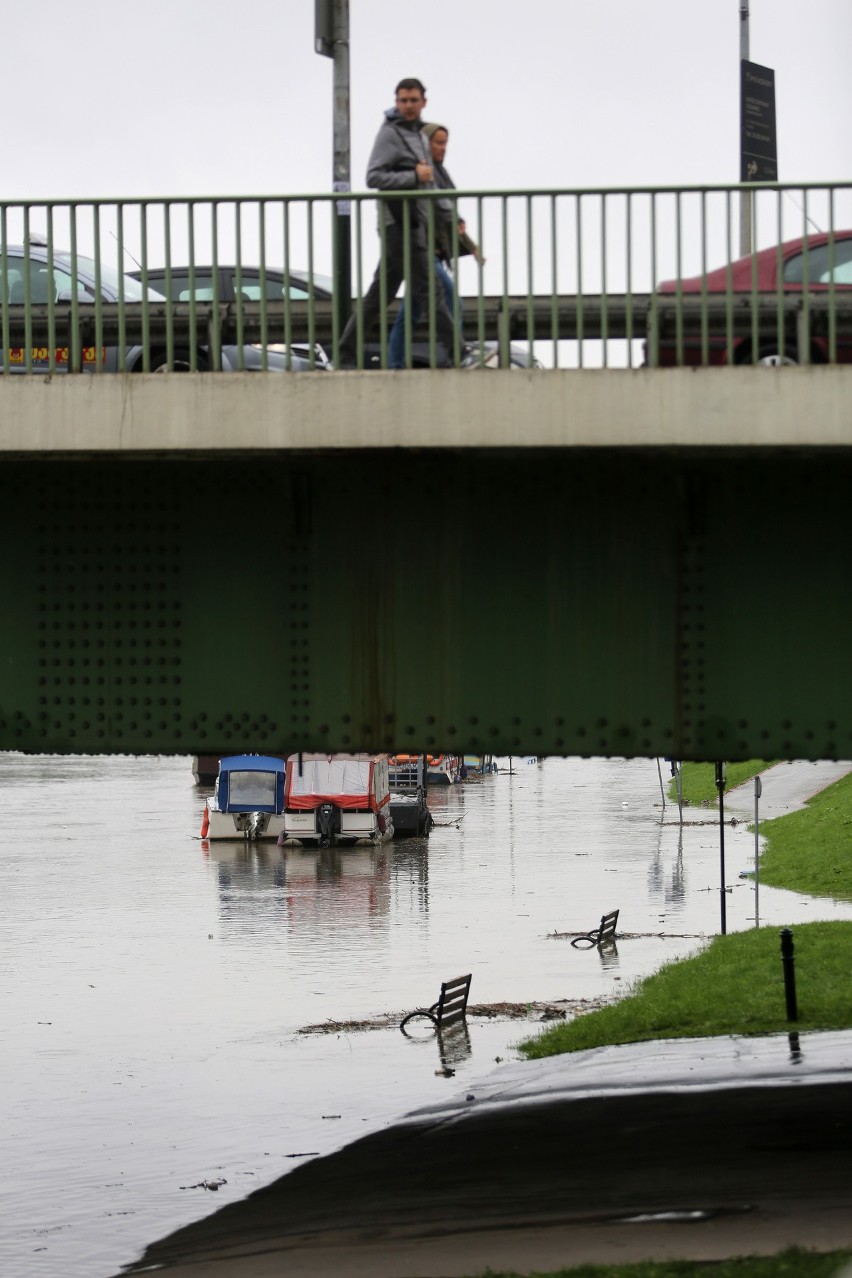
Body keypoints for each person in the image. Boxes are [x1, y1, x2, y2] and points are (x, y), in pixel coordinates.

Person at [335, 79, 459, 369]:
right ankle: (458, 351)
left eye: (413, 100)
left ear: (423, 102)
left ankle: (344, 353)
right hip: (398, 224)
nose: (408, 105)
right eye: (403, 100)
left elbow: (428, 185)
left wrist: (449, 217)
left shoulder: (417, 135)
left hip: (413, 225)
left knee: (380, 296)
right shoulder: (390, 134)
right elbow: (374, 177)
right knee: (433, 291)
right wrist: (413, 177)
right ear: (396, 101)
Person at [388, 122, 481, 370]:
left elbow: (449, 214)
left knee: (411, 313)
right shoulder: (422, 173)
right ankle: (456, 357)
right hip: (421, 250)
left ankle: (395, 365)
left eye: (445, 143)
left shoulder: (440, 173)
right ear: (425, 144)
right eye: (438, 142)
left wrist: (470, 244)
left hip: (435, 253)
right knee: (452, 301)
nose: (443, 148)